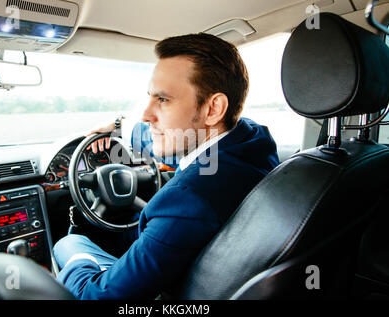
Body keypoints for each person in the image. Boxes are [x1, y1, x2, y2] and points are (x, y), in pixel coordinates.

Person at [53, 33, 280, 299]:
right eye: (150, 97)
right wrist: (119, 127)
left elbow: (101, 297)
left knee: (69, 242)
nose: (146, 115)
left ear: (214, 108)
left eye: (163, 99)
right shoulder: (251, 139)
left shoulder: (187, 200)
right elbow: (182, 149)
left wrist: (71, 265)